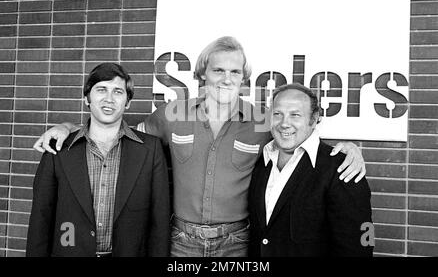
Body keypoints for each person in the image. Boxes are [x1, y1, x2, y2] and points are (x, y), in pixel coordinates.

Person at [33, 36, 367, 257]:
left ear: (244, 78)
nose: (226, 78)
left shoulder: (262, 120)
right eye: (218, 70)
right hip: (180, 241)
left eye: (235, 72)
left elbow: (297, 134)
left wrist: (349, 148)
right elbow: (117, 134)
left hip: (236, 243)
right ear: (202, 75)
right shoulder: (171, 114)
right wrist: (69, 128)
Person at [27, 63, 170, 257]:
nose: (109, 99)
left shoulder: (150, 149)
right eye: (101, 90)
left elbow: (159, 221)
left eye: (118, 92)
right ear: (87, 98)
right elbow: (41, 218)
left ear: (127, 102)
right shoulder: (58, 148)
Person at [248, 83, 373, 257]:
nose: (284, 123)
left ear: (313, 119)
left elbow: (358, 246)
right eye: (278, 114)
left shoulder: (342, 167)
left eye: (295, 115)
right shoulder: (261, 160)